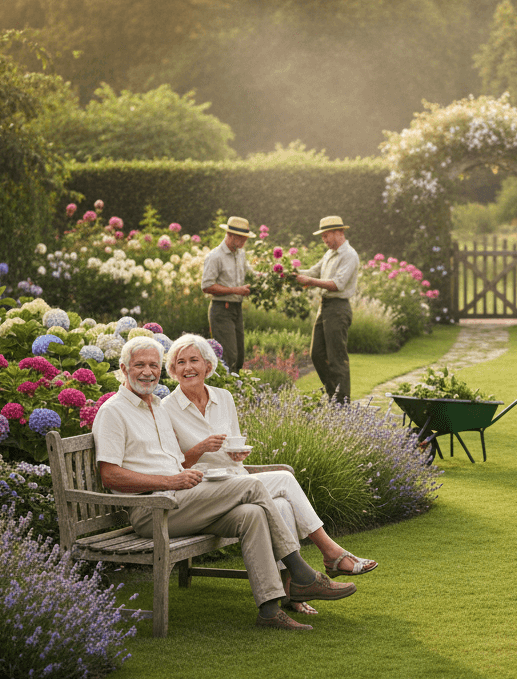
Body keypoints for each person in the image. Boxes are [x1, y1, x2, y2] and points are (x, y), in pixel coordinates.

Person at [92, 336, 357, 632]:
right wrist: (172, 479)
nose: (148, 372)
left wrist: (186, 471)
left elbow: (172, 460)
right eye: (139, 365)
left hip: (183, 498)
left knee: (252, 515)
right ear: (123, 368)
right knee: (252, 487)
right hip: (152, 508)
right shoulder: (113, 412)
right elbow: (110, 475)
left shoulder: (155, 406)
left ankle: (269, 611)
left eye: (153, 365)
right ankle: (303, 575)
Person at [159, 333, 378, 615]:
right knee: (285, 479)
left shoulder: (224, 398)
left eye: (194, 360)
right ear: (173, 370)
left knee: (282, 505)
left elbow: (232, 444)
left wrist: (236, 454)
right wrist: (199, 449)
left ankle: (291, 593)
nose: (187, 367)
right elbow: (174, 467)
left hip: (236, 479)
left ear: (208, 366)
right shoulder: (167, 409)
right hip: (202, 492)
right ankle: (330, 554)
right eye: (180, 362)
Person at [295, 215, 359, 404]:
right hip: (325, 308)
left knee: (337, 358)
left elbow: (337, 284)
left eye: (326, 236)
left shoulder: (349, 255)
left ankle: (341, 404)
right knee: (317, 354)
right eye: (322, 236)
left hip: (338, 309)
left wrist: (310, 282)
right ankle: (332, 394)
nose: (324, 240)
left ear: (338, 232)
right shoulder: (330, 253)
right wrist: (293, 273)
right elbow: (314, 272)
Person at [201, 215, 254, 373]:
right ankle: (225, 394)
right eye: (242, 238)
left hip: (236, 309)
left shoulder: (240, 254)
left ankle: (236, 394)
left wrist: (268, 277)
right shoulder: (215, 256)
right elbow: (207, 286)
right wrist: (235, 290)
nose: (245, 242)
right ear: (231, 236)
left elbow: (250, 272)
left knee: (239, 357)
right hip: (221, 310)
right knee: (228, 356)